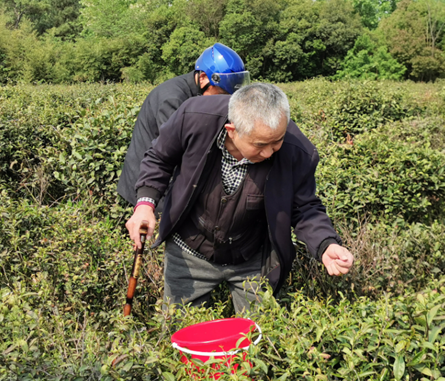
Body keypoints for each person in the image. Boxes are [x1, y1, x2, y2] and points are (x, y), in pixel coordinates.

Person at [125, 83, 354, 313]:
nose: (269, 152)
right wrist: (145, 204)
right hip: (189, 250)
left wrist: (325, 243)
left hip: (252, 258)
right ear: (232, 130)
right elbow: (159, 158)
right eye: (260, 144)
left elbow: (304, 207)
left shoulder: (297, 150)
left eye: (277, 141)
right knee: (179, 331)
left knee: (256, 336)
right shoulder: (194, 117)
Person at [117, 43, 250, 212]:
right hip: (149, 182)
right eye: (223, 94)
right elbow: (175, 152)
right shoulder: (172, 99)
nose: (225, 101)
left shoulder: (200, 94)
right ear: (203, 78)